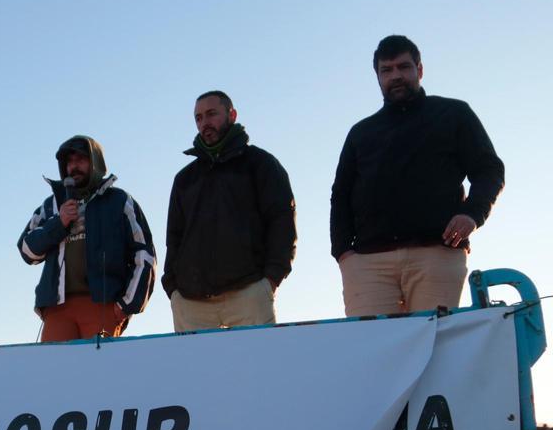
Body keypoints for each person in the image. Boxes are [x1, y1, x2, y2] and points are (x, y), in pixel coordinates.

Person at [330, 35, 505, 316]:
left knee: (435, 346)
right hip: (368, 263)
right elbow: (340, 194)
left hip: (437, 253)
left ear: (419, 70)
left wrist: (473, 214)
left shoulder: (454, 114)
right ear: (377, 77)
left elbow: (489, 169)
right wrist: (343, 253)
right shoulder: (361, 132)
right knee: (371, 349)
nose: (396, 76)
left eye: (404, 67)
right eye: (387, 70)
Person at [163, 91, 297, 331]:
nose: (205, 123)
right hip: (192, 303)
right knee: (196, 370)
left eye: (211, 114)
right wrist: (173, 289)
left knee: (257, 367)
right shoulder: (184, 179)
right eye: (198, 118)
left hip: (249, 294)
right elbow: (174, 237)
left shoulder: (261, 164)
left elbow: (282, 221)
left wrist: (271, 279)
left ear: (232, 114)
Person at [18, 135, 156, 341]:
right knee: (53, 371)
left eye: (81, 159)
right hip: (58, 309)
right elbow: (28, 252)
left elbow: (144, 255)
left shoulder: (119, 201)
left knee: (102, 372)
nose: (74, 166)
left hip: (103, 305)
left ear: (95, 162)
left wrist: (126, 305)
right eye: (69, 162)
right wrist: (59, 222)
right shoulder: (51, 206)